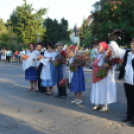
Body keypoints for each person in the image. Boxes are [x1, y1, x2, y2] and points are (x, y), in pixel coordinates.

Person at [108, 37, 134, 123]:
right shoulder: (127, 53)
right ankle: (129, 116)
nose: (133, 45)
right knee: (129, 99)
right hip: (127, 81)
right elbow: (117, 50)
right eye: (133, 43)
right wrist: (112, 39)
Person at [90, 41, 116, 112]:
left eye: (100, 46)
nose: (98, 47)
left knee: (104, 90)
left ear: (104, 47)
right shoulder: (98, 54)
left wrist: (107, 65)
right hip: (96, 75)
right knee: (97, 89)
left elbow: (112, 66)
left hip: (104, 76)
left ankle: (105, 105)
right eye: (98, 46)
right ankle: (98, 103)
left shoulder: (107, 55)